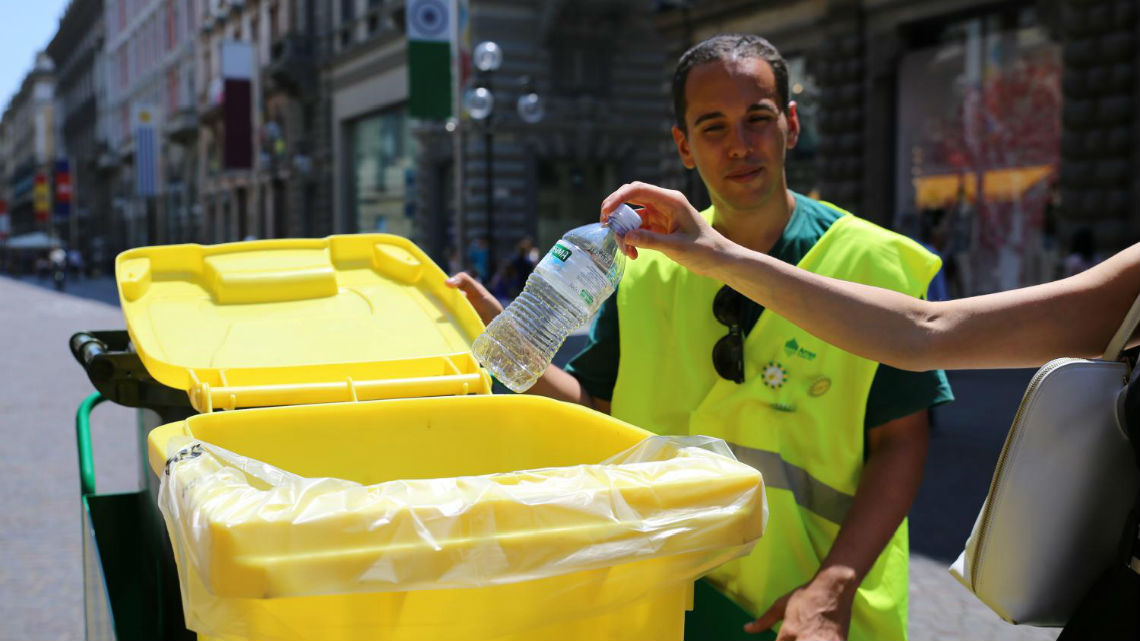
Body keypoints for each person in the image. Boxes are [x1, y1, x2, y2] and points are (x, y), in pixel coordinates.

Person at [451, 34, 952, 641]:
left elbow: (901, 441)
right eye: (713, 127)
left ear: (791, 125)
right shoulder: (646, 271)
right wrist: (514, 341)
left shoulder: (872, 266)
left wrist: (832, 587)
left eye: (757, 119)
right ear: (684, 147)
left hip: (808, 613)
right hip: (673, 601)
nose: (739, 144)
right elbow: (596, 410)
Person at [598, 182, 1140, 641]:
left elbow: (913, 386)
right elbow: (926, 331)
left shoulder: (863, 250)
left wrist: (834, 582)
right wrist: (720, 255)